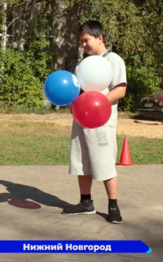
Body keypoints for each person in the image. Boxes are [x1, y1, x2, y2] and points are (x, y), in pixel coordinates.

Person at [62, 20, 127, 224]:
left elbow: (120, 89)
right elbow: (77, 90)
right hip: (81, 120)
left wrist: (96, 103)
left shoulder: (113, 59)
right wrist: (73, 103)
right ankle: (86, 202)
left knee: (105, 163)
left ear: (100, 38)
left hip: (102, 121)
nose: (83, 45)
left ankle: (113, 205)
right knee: (81, 162)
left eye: (86, 40)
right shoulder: (83, 63)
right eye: (81, 42)